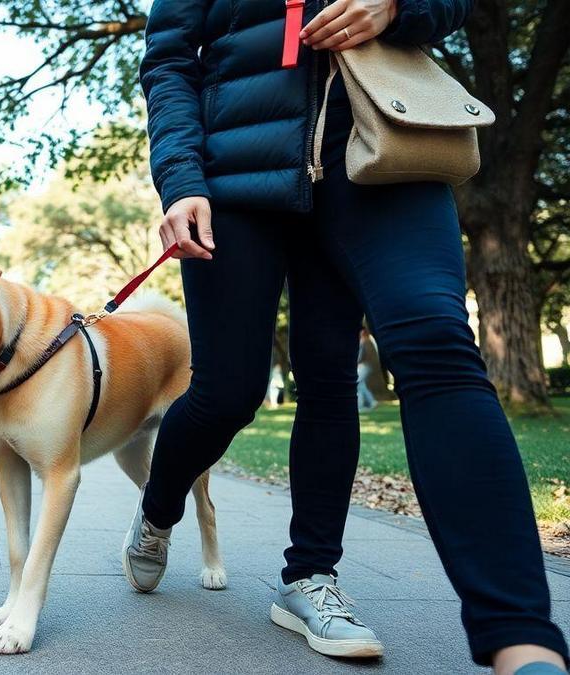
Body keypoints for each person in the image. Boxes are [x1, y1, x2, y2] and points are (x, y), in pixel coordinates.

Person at [127, 1, 568, 671]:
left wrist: (398, 5)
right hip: (239, 170)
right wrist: (182, 181)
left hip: (379, 141)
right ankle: (158, 509)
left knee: (431, 344)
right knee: (228, 391)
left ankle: (516, 640)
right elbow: (168, 60)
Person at [356, 328, 378, 412]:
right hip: (367, 366)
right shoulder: (368, 341)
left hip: (365, 366)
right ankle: (372, 402)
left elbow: (361, 356)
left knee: (357, 383)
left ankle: (360, 405)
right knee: (361, 384)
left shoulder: (365, 342)